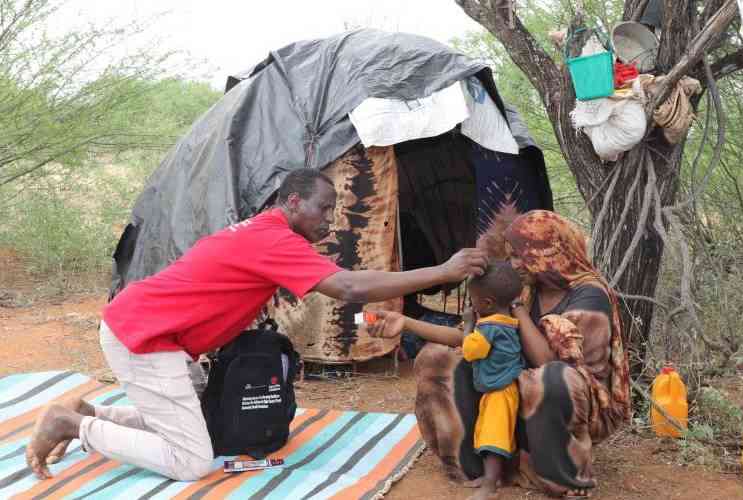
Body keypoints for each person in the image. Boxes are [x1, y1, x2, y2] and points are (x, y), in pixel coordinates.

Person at [25, 168, 488, 481]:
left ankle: (96, 416)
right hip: (144, 339)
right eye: (323, 209)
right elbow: (348, 287)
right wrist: (443, 272)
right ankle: (73, 426)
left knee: (199, 426)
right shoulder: (274, 240)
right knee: (192, 461)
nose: (329, 219)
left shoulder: (264, 232)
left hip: (156, 334)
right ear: (292, 202)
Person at [369, 210, 631, 498]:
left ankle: (559, 475)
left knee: (551, 378)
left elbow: (551, 364)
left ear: (548, 252)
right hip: (512, 392)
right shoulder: (529, 288)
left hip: (570, 402)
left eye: (522, 256)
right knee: (438, 359)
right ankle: (483, 466)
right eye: (512, 256)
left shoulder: (588, 295)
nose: (515, 264)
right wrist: (405, 323)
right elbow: (468, 338)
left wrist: (517, 308)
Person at [460, 262, 524, 500]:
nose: (471, 305)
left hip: (500, 391)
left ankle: (489, 487)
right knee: (491, 432)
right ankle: (492, 478)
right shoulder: (508, 324)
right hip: (503, 387)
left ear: (486, 303)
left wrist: (468, 325)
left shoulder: (489, 328)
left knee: (492, 435)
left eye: (473, 300)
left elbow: (470, 351)